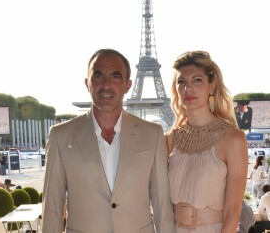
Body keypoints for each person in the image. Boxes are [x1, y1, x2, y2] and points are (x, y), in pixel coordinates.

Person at [42, 48, 176, 233]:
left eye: (115, 76)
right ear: (87, 83)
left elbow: (162, 204)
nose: (106, 84)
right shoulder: (60, 136)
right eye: (98, 75)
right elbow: (52, 207)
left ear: (128, 85)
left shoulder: (152, 134)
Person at [166, 50, 248, 232]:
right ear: (176, 90)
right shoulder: (168, 139)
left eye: (197, 80)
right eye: (181, 82)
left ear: (212, 86)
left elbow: (233, 211)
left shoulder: (233, 139)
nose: (188, 88)